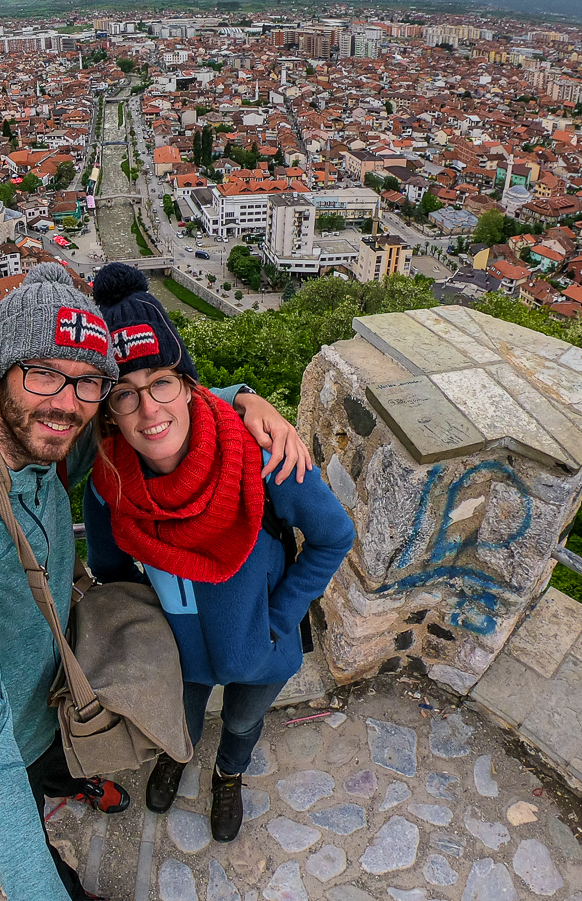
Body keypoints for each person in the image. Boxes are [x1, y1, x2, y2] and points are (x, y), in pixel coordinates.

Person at [0, 263, 312, 901]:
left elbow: (155, 413)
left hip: (59, 693)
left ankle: (74, 781)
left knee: (60, 763)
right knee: (30, 822)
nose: (66, 402)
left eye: (86, 381)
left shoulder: (50, 443)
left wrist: (245, 398)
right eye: (44, 372)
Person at [83, 263, 355, 843]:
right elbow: (109, 570)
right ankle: (177, 757)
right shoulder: (108, 484)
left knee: (241, 722)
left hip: (264, 646)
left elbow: (334, 536)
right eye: (125, 395)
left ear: (187, 385)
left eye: (161, 382)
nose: (149, 409)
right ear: (109, 412)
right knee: (178, 720)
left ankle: (227, 777)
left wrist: (277, 620)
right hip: (178, 658)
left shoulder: (258, 456)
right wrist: (155, 631)